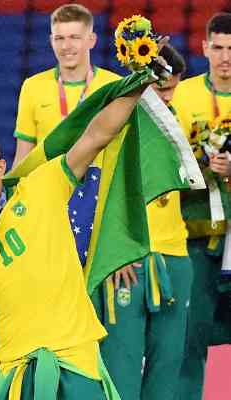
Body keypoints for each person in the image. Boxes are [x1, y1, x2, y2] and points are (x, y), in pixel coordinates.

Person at [0, 74, 157, 397]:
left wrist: (141, 81)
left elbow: (97, 135)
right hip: (20, 374)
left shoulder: (41, 186)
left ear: (0, 169)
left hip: (77, 362)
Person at [96, 44, 194, 400]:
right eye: (161, 88)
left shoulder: (180, 122)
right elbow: (98, 189)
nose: (167, 98)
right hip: (128, 259)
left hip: (175, 254)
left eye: (173, 88)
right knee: (120, 368)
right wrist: (115, 249)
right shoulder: (116, 124)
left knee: (167, 367)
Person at [171, 12, 231, 400]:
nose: (226, 57)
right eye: (220, 48)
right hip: (197, 232)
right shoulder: (183, 95)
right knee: (191, 336)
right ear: (205, 47)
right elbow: (168, 160)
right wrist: (199, 164)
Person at [13, 3, 119, 167]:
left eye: (74, 38)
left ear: (91, 40)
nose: (66, 46)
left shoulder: (113, 86)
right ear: (51, 41)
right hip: (49, 188)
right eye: (59, 38)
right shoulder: (33, 87)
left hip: (97, 189)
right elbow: (23, 158)